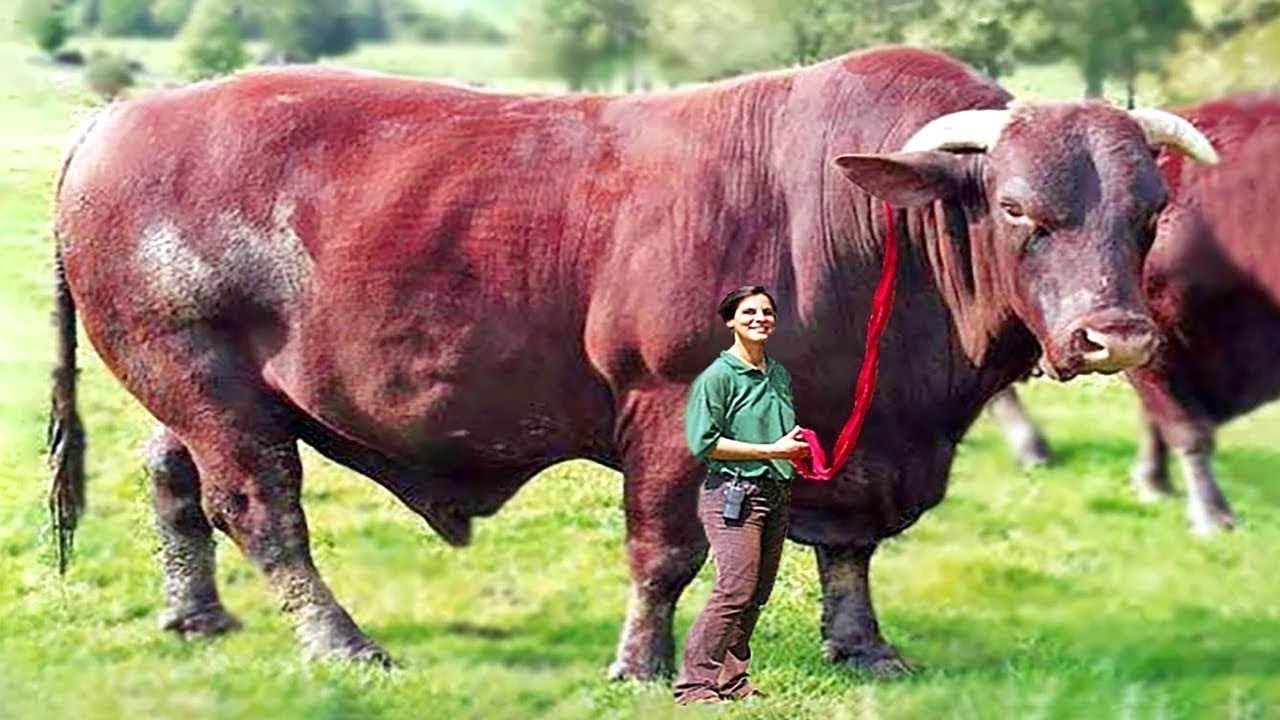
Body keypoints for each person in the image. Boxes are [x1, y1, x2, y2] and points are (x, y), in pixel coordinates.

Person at [674, 285, 811, 704]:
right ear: (730, 321)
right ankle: (694, 686)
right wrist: (772, 451)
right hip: (733, 496)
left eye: (767, 312)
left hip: (775, 493)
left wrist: (794, 448)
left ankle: (732, 682)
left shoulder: (778, 374)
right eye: (749, 312)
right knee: (734, 590)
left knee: (756, 594)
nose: (760, 319)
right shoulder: (717, 378)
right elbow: (703, 442)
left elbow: (775, 430)